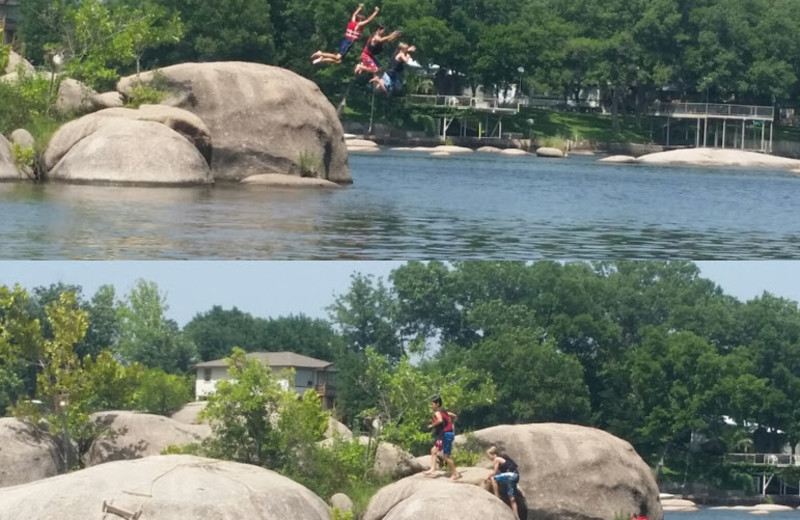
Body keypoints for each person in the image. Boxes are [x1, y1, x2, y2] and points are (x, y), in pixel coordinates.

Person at [311, 4, 380, 66]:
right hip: (348, 42)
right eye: (362, 20)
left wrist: (359, 8)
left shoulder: (352, 22)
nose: (363, 23)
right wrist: (375, 12)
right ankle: (320, 53)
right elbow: (368, 20)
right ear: (360, 20)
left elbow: (354, 15)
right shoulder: (358, 25)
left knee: (339, 61)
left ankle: (322, 59)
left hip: (345, 40)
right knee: (338, 57)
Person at [423, 396, 460, 480]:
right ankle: (433, 468)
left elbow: (439, 420)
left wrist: (432, 425)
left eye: (432, 404)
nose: (431, 406)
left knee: (446, 456)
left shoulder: (437, 412)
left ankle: (455, 474)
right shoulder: (444, 411)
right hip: (445, 434)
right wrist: (450, 424)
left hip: (445, 435)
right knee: (434, 450)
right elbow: (454, 415)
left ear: (437, 404)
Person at [484, 446, 520, 519]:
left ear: (493, 454)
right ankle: (517, 517)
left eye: (489, 456)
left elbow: (494, 472)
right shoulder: (504, 458)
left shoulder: (496, 459)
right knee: (512, 498)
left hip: (509, 475)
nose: (489, 458)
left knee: (493, 478)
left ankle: (497, 496)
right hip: (515, 476)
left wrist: (487, 477)